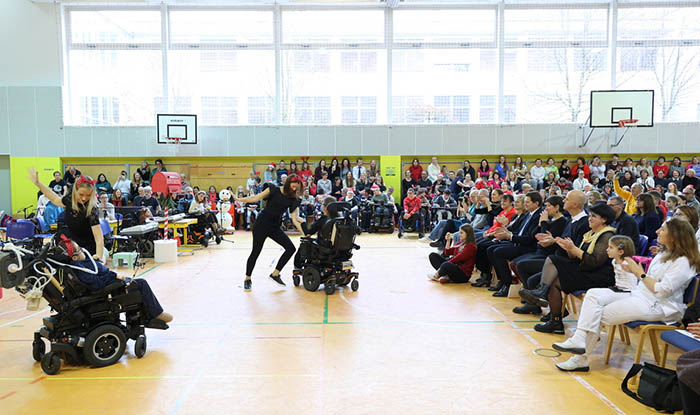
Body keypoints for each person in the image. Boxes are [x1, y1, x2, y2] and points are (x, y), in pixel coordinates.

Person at [552, 218, 700, 372]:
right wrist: (635, 272)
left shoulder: (684, 262)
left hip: (660, 306)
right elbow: (648, 281)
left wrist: (639, 273)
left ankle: (580, 359)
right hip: (641, 295)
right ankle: (579, 339)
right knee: (593, 294)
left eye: (662, 229)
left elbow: (662, 290)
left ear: (674, 236)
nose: (657, 231)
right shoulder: (664, 253)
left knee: (598, 314)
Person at [520, 202, 618, 334]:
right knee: (554, 282)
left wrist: (574, 249)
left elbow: (594, 262)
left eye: (594, 216)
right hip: (586, 270)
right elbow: (577, 258)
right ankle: (555, 321)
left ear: (604, 219)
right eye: (590, 215)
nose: (589, 219)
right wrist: (569, 249)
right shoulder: (591, 234)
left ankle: (542, 291)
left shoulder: (607, 235)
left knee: (553, 260)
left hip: (599, 276)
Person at [56, 236, 172, 324]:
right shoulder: (80, 268)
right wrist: (114, 276)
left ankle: (143, 315)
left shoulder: (81, 263)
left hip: (108, 280)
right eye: (79, 249)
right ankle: (156, 313)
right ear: (75, 257)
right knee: (141, 284)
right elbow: (96, 283)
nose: (82, 250)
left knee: (134, 284)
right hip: (106, 286)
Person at [234, 175, 306, 290]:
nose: (294, 189)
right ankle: (247, 278)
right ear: (288, 183)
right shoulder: (273, 189)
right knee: (255, 252)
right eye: (293, 186)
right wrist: (239, 199)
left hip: (274, 227)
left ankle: (275, 274)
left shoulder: (294, 199)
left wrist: (305, 233)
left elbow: (294, 218)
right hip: (261, 225)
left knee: (290, 248)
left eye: (296, 188)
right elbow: (256, 198)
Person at [29, 168, 103, 259]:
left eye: (88, 195)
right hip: (71, 246)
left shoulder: (91, 209)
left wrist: (99, 256)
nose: (84, 198)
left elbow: (99, 237)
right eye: (81, 194)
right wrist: (38, 183)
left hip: (87, 249)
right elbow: (54, 199)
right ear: (75, 191)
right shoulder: (69, 200)